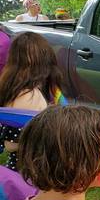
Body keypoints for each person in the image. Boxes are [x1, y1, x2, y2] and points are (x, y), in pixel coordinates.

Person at [0, 32, 66, 173]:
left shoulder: (20, 88)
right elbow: (11, 144)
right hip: (30, 172)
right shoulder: (28, 95)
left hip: (29, 169)